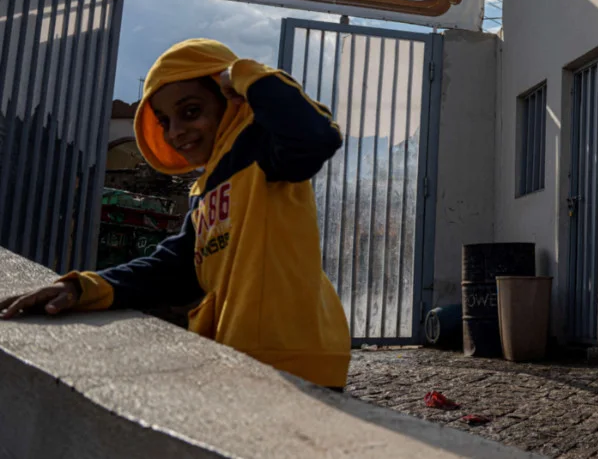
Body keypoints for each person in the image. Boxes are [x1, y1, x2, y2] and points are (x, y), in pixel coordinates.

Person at [0, 39, 352, 389]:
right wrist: (81, 288)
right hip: (241, 358)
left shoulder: (265, 152)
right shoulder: (204, 192)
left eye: (190, 111)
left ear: (230, 101)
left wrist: (242, 73)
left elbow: (317, 136)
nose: (175, 132)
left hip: (294, 356)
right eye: (164, 121)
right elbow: (171, 268)